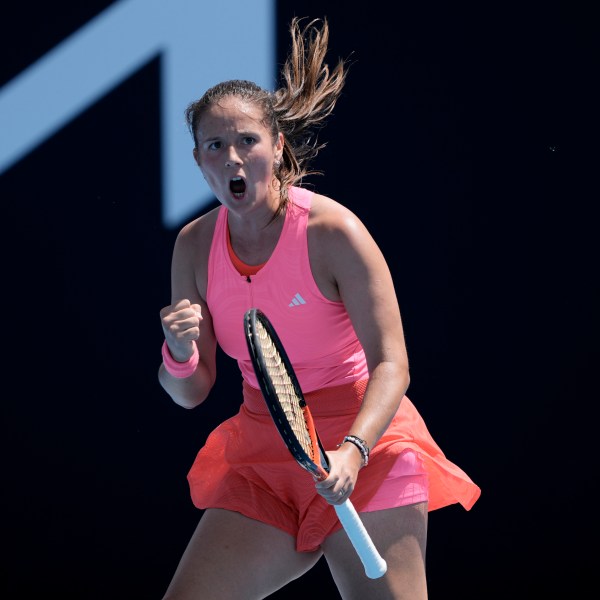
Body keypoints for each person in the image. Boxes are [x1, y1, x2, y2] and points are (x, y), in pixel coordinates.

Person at [158, 16, 480, 600]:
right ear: (199, 160)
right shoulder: (193, 246)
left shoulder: (334, 232)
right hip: (265, 453)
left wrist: (354, 450)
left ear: (277, 147)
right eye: (215, 145)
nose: (232, 157)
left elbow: (392, 365)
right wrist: (179, 355)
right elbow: (190, 391)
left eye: (248, 141)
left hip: (367, 446)